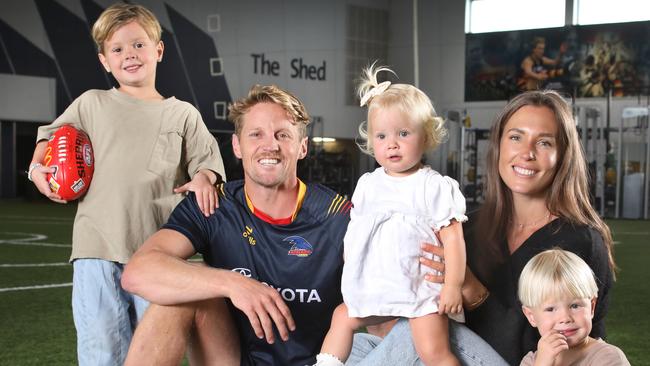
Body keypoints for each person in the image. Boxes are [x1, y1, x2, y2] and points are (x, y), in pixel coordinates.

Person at [346, 90, 615, 366]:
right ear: (498, 145)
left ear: (563, 155)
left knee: (413, 333)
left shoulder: (580, 241)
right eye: (516, 137)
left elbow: (566, 349)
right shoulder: (466, 227)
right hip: (455, 356)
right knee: (357, 344)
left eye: (544, 142)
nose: (527, 153)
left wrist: (470, 288)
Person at [26, 3, 225, 365]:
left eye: (138, 45)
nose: (129, 55)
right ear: (105, 60)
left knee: (155, 352)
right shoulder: (91, 104)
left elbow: (208, 165)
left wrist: (204, 178)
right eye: (117, 49)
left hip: (158, 256)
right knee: (100, 352)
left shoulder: (182, 114)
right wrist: (36, 169)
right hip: (95, 250)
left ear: (158, 50)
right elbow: (50, 139)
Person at [121, 84, 352, 366]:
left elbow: (383, 299)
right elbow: (137, 273)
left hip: (310, 362)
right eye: (256, 134)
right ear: (236, 146)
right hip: (231, 359)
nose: (270, 145)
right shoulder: (213, 205)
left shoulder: (337, 215)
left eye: (283, 135)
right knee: (185, 289)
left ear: (302, 147)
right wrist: (234, 284)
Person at [314, 64, 467, 366]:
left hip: (419, 288)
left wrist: (452, 285)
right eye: (381, 136)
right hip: (377, 285)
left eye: (403, 133)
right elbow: (357, 229)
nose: (392, 143)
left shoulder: (432, 185)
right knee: (342, 316)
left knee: (433, 351)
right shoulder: (368, 184)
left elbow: (454, 240)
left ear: (425, 137)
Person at [518, 249, 629, 366]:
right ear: (531, 316)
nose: (565, 318)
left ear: (591, 307)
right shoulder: (531, 361)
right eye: (550, 309)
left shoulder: (607, 357)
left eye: (575, 306)